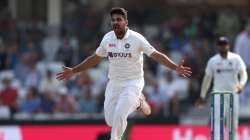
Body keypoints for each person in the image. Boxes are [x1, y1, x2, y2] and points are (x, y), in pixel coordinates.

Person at [56, 7, 192, 140]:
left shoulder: (136, 38)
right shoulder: (108, 39)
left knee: (120, 114)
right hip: (114, 84)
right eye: (113, 20)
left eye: (119, 19)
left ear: (126, 22)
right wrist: (74, 71)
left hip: (133, 83)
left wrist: (175, 67)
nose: (115, 22)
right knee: (111, 121)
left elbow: (155, 55)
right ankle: (139, 103)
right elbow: (95, 58)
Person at [196, 36, 248, 140]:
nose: (223, 47)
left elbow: (244, 74)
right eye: (221, 45)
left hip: (233, 94)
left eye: (225, 44)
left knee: (232, 125)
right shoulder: (213, 61)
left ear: (228, 45)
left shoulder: (236, 59)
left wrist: (241, 84)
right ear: (218, 46)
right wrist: (202, 96)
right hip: (218, 94)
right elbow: (207, 79)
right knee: (217, 123)